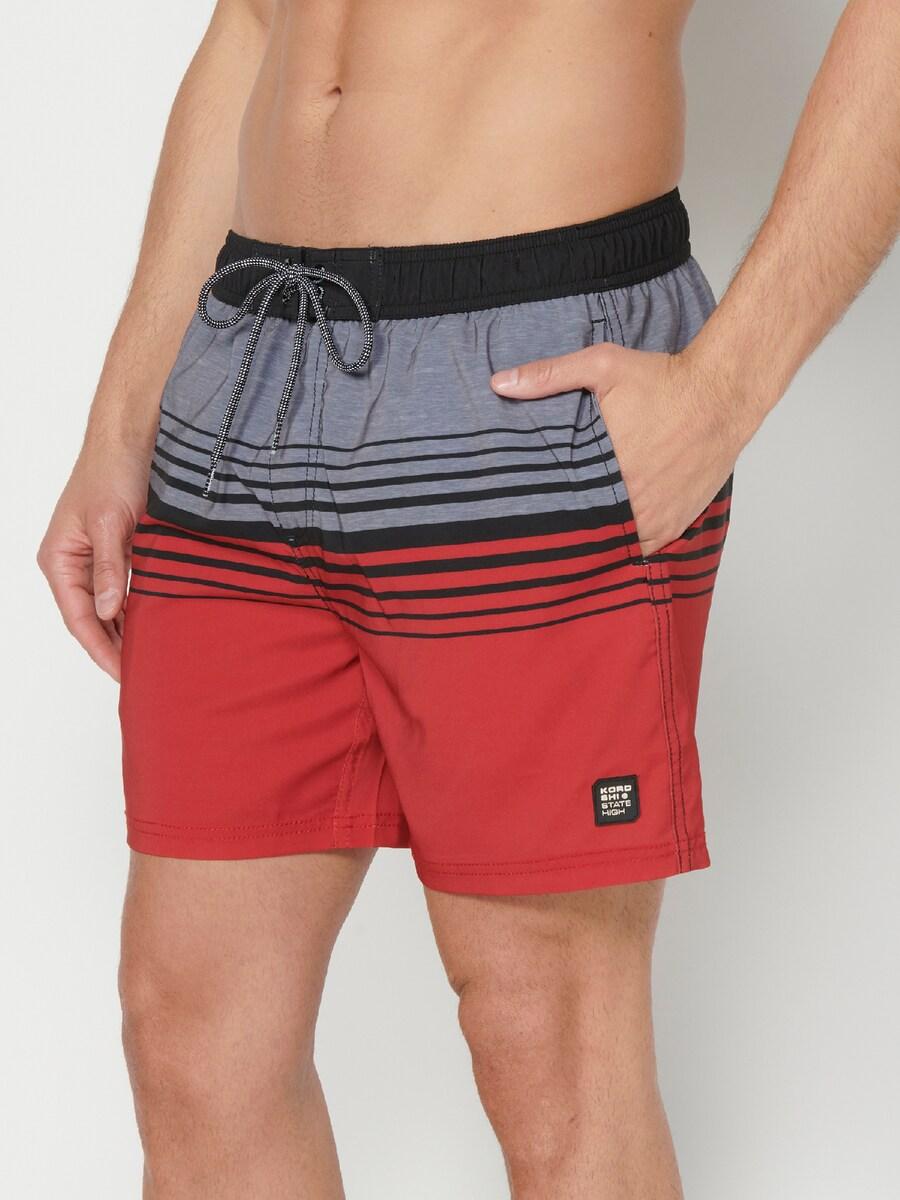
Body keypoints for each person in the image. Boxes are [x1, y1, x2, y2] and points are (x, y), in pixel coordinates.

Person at [37, 2, 899, 1196]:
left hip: (529, 374)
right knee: (191, 1038)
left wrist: (724, 389)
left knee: (546, 1040)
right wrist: (123, 417)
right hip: (246, 362)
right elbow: (252, 22)